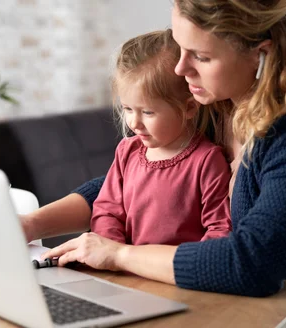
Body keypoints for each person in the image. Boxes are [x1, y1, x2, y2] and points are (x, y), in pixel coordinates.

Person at [25, 0, 286, 326]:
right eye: (180, 48)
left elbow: (254, 264)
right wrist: (30, 225)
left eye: (201, 57)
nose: (181, 68)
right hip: (217, 305)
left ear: (260, 54)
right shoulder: (213, 104)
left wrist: (118, 255)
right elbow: (138, 180)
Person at [92, 29, 232, 246]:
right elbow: (106, 211)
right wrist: (112, 253)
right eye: (128, 109)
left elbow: (220, 228)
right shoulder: (126, 151)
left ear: (189, 107)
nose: (134, 123)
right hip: (125, 272)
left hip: (174, 275)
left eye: (147, 112)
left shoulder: (207, 161)